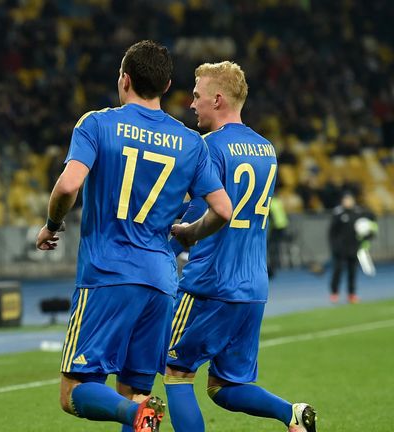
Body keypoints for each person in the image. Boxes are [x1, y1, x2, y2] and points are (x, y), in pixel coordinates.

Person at [36, 40, 232, 432]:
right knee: (136, 391)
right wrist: (191, 234)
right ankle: (137, 411)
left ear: (124, 79)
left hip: (107, 275)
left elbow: (67, 186)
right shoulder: (191, 143)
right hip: (161, 282)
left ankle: (134, 415)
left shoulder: (96, 124)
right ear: (167, 85)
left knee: (75, 391)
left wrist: (52, 226)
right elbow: (224, 209)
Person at [165, 61, 316, 432]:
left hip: (210, 283)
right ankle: (292, 415)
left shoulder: (205, 148)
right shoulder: (267, 150)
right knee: (225, 386)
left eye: (197, 96)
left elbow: (197, 218)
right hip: (253, 286)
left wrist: (172, 244)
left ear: (218, 99)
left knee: (175, 372)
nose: (191, 104)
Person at [328, 192, 376, 304]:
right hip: (340, 249)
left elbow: (367, 225)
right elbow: (332, 232)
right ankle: (334, 292)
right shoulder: (338, 214)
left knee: (352, 272)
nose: (348, 202)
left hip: (354, 248)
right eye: (346, 200)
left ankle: (351, 294)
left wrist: (369, 234)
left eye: (350, 200)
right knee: (338, 270)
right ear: (342, 201)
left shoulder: (358, 213)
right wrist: (334, 246)